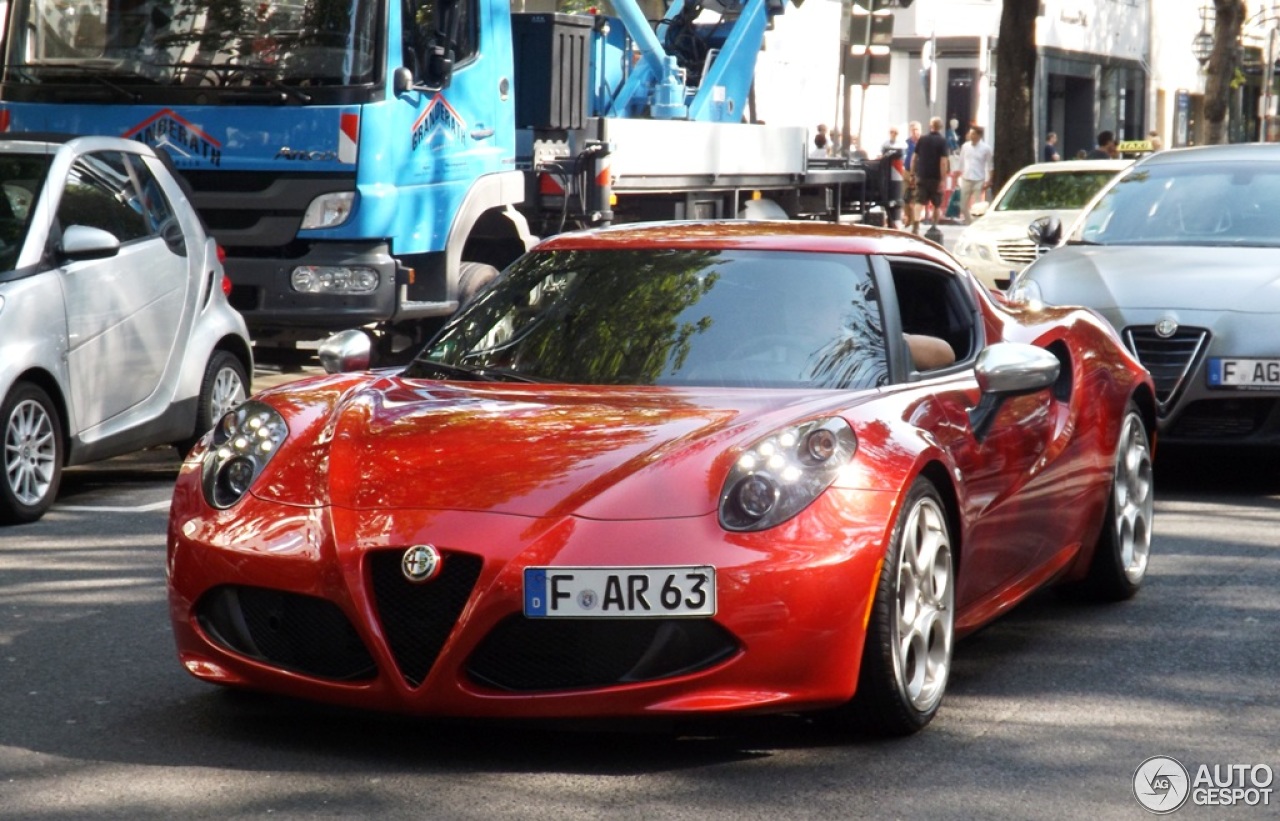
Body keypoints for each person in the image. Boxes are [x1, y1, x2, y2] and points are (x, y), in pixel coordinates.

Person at [909, 116, 950, 234]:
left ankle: (915, 225)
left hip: (922, 175)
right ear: (940, 127)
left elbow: (914, 158)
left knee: (919, 201)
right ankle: (934, 226)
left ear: (930, 126)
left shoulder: (922, 139)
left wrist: (912, 173)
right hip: (935, 177)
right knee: (936, 203)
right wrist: (943, 179)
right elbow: (943, 162)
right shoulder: (943, 141)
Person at [958, 125, 994, 224]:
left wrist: (989, 179)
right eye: (970, 133)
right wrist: (959, 175)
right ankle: (970, 222)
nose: (971, 135)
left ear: (979, 135)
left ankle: (976, 223)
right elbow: (961, 162)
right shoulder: (965, 146)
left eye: (973, 134)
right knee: (963, 205)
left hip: (979, 179)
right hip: (966, 177)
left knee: (978, 206)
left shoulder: (986, 148)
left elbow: (990, 165)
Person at [880, 126, 907, 228]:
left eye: (895, 132)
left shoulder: (901, 144)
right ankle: (890, 220)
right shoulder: (885, 144)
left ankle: (896, 220)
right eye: (891, 132)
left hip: (897, 174)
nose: (893, 134)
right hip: (887, 174)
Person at [904, 120, 922, 228]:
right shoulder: (907, 143)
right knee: (905, 197)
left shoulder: (923, 143)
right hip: (906, 172)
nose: (915, 132)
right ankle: (908, 219)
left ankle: (916, 223)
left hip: (917, 173)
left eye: (917, 130)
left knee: (916, 199)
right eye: (913, 130)